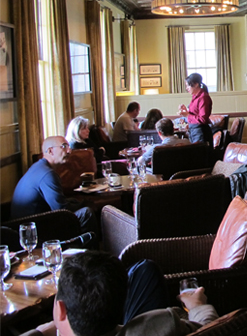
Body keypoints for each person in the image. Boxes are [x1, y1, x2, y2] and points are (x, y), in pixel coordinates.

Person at [24, 251, 219, 336]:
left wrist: (47, 329)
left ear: (60, 309)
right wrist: (197, 306)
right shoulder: (160, 325)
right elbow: (211, 329)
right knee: (146, 269)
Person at [11, 136, 96, 233]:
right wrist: (84, 204)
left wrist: (78, 203)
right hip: (32, 228)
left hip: (29, 222)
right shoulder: (47, 174)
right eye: (64, 146)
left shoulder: (39, 167)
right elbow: (61, 211)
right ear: (50, 151)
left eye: (68, 146)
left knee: (75, 201)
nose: (69, 151)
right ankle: (82, 246)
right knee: (86, 213)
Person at [178, 73, 213, 146]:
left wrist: (187, 115)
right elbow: (195, 114)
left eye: (188, 85)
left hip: (200, 132)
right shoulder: (195, 97)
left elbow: (203, 119)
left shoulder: (203, 97)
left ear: (196, 84)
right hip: (194, 131)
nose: (187, 88)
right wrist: (186, 111)